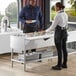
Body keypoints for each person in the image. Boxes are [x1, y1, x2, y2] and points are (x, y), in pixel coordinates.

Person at [45, 2, 68, 70]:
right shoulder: (65, 14)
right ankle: (64, 64)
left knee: (59, 50)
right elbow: (66, 25)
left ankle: (59, 65)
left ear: (58, 7)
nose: (55, 8)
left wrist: (45, 31)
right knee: (64, 49)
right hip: (64, 32)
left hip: (59, 33)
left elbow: (52, 27)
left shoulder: (57, 15)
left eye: (55, 7)